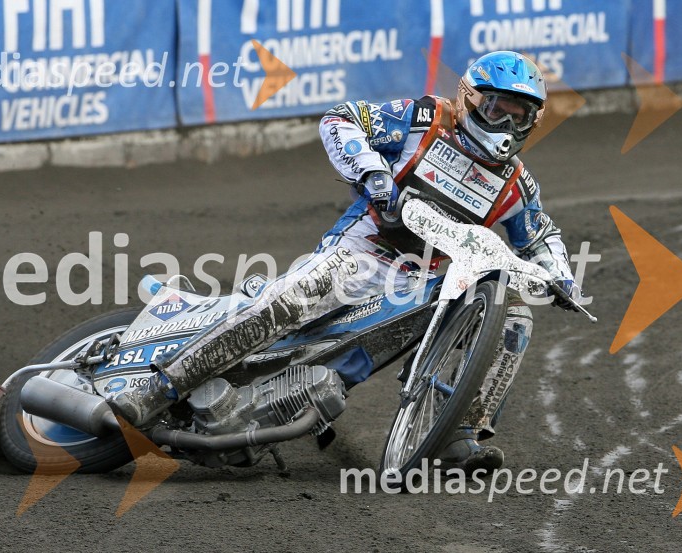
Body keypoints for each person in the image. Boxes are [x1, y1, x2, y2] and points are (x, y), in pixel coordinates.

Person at [108, 51, 580, 474]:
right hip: (363, 249)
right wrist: (373, 172)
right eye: (497, 108)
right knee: (287, 304)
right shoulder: (424, 117)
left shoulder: (517, 184)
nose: (505, 124)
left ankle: (459, 434)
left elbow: (541, 235)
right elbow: (342, 119)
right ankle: (162, 386)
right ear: (472, 100)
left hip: (429, 288)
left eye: (519, 115)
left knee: (513, 311)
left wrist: (560, 277)